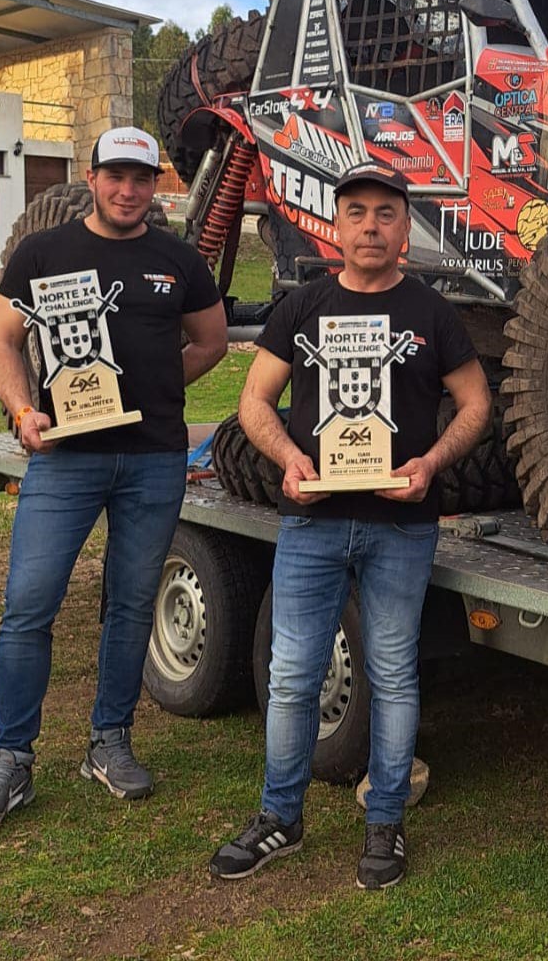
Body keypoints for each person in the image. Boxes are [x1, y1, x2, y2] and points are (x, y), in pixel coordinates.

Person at [209, 160, 490, 888]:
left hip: (403, 525)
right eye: (357, 212)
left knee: (393, 675)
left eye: (386, 213)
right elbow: (254, 404)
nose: (371, 225)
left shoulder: (431, 313)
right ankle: (280, 817)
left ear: (404, 228)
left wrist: (429, 464)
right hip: (313, 520)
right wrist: (289, 463)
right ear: (337, 225)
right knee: (294, 675)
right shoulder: (302, 308)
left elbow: (477, 404)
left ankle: (385, 823)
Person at [0, 127, 227, 830]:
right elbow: (2, 341)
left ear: (152, 181)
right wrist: (22, 411)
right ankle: (10, 759)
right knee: (29, 605)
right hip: (65, 459)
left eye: (141, 178)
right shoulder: (43, 251)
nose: (129, 190)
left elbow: (212, 340)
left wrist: (162, 385)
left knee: (131, 605)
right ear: (92, 175)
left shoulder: (177, 258)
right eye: (116, 176)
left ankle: (110, 742)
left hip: (152, 459)